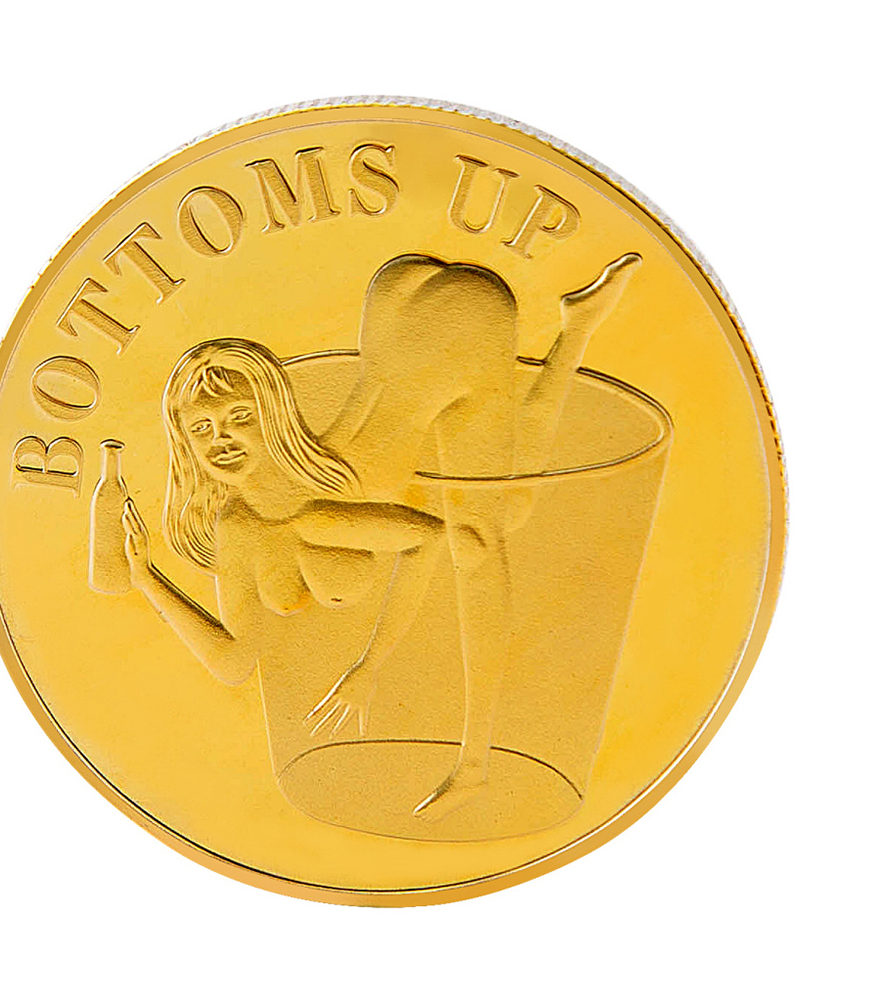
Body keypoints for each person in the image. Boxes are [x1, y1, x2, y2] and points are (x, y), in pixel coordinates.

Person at [121, 250, 641, 819]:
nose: (221, 439)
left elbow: (431, 539)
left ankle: (474, 766)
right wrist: (145, 578)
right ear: (184, 444)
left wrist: (370, 665)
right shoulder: (239, 525)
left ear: (270, 414)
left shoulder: (307, 511)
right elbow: (234, 662)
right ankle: (579, 327)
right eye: (202, 428)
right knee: (504, 505)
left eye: (239, 417)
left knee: (486, 531)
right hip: (398, 313)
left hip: (462, 316)